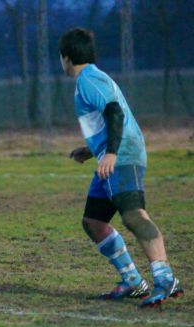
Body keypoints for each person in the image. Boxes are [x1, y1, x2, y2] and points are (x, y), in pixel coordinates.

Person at [59, 27, 183, 307]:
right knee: (94, 222)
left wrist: (111, 154)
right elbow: (108, 119)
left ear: (65, 58)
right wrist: (92, 151)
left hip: (122, 156)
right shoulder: (89, 79)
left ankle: (166, 278)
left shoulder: (89, 79)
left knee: (133, 216)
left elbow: (114, 112)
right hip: (111, 155)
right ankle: (132, 280)